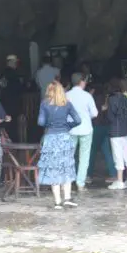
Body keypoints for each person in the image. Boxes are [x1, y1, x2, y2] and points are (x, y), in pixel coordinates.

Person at [37, 81, 81, 209]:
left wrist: (50, 125)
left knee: (53, 169)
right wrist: (67, 126)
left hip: (50, 138)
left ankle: (57, 202)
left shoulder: (44, 104)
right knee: (66, 167)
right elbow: (78, 120)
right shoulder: (67, 104)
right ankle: (67, 198)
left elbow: (40, 122)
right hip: (65, 138)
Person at [66, 72, 99, 192]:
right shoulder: (87, 96)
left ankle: (68, 182)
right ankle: (80, 183)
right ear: (81, 82)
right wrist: (86, 116)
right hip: (85, 129)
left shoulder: (66, 95)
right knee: (84, 157)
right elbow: (95, 113)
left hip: (70, 130)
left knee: (69, 156)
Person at [106, 78, 127, 190]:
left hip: (115, 131)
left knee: (118, 155)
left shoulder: (112, 99)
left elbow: (110, 116)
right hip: (125, 130)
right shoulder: (126, 98)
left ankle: (119, 181)